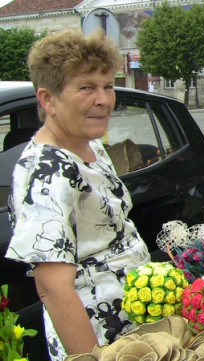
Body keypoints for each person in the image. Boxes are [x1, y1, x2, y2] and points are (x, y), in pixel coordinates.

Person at [5, 29, 150, 360]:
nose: (103, 99)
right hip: (100, 339)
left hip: (133, 328)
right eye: (86, 88)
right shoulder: (46, 173)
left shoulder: (88, 142)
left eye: (108, 86)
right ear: (47, 100)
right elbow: (53, 289)